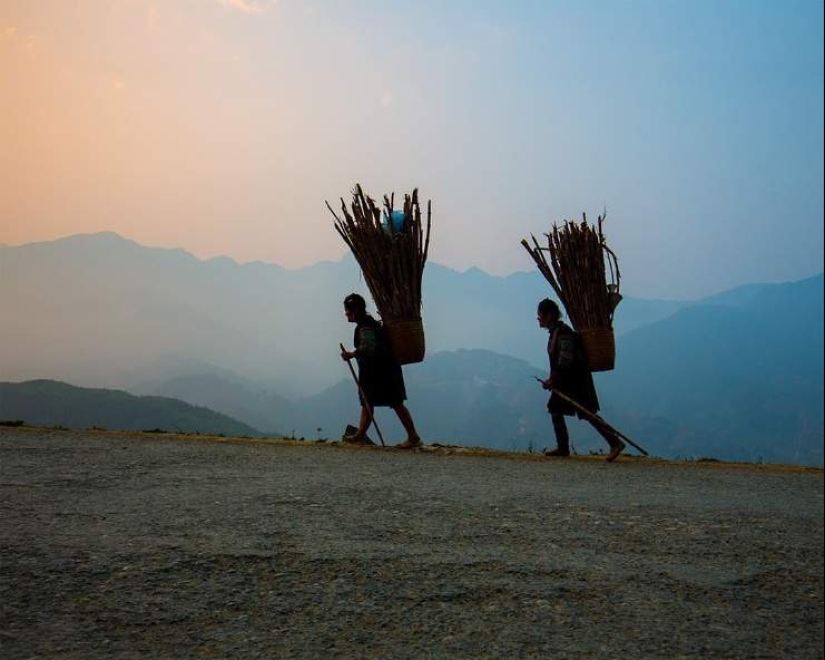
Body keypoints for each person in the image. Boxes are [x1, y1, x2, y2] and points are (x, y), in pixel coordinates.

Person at [537, 298, 625, 462]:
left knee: (588, 413)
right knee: (556, 408)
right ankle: (563, 448)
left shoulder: (563, 334)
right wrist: (553, 380)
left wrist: (552, 380)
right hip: (567, 382)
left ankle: (615, 442)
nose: (538, 319)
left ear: (549, 316)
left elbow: (565, 360)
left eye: (540, 315)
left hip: (576, 383)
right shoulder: (557, 333)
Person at [340, 293, 422, 449]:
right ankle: (361, 434)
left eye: (347, 312)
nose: (346, 315)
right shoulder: (369, 324)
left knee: (393, 402)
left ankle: (413, 436)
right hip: (384, 370)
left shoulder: (365, 326)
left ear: (355, 311)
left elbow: (368, 347)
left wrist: (352, 354)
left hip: (381, 372)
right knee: (369, 401)